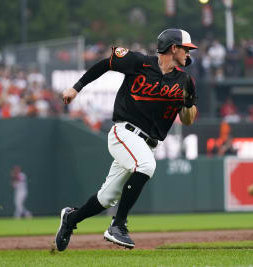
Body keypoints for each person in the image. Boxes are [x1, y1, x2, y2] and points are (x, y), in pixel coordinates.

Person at [55, 28, 198, 251]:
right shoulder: (139, 62)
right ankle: (118, 225)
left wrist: (188, 104)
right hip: (124, 132)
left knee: (106, 197)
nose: (189, 53)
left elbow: (187, 119)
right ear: (173, 48)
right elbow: (105, 64)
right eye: (186, 48)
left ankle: (71, 219)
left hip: (147, 143)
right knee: (146, 166)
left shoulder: (184, 80)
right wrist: (76, 88)